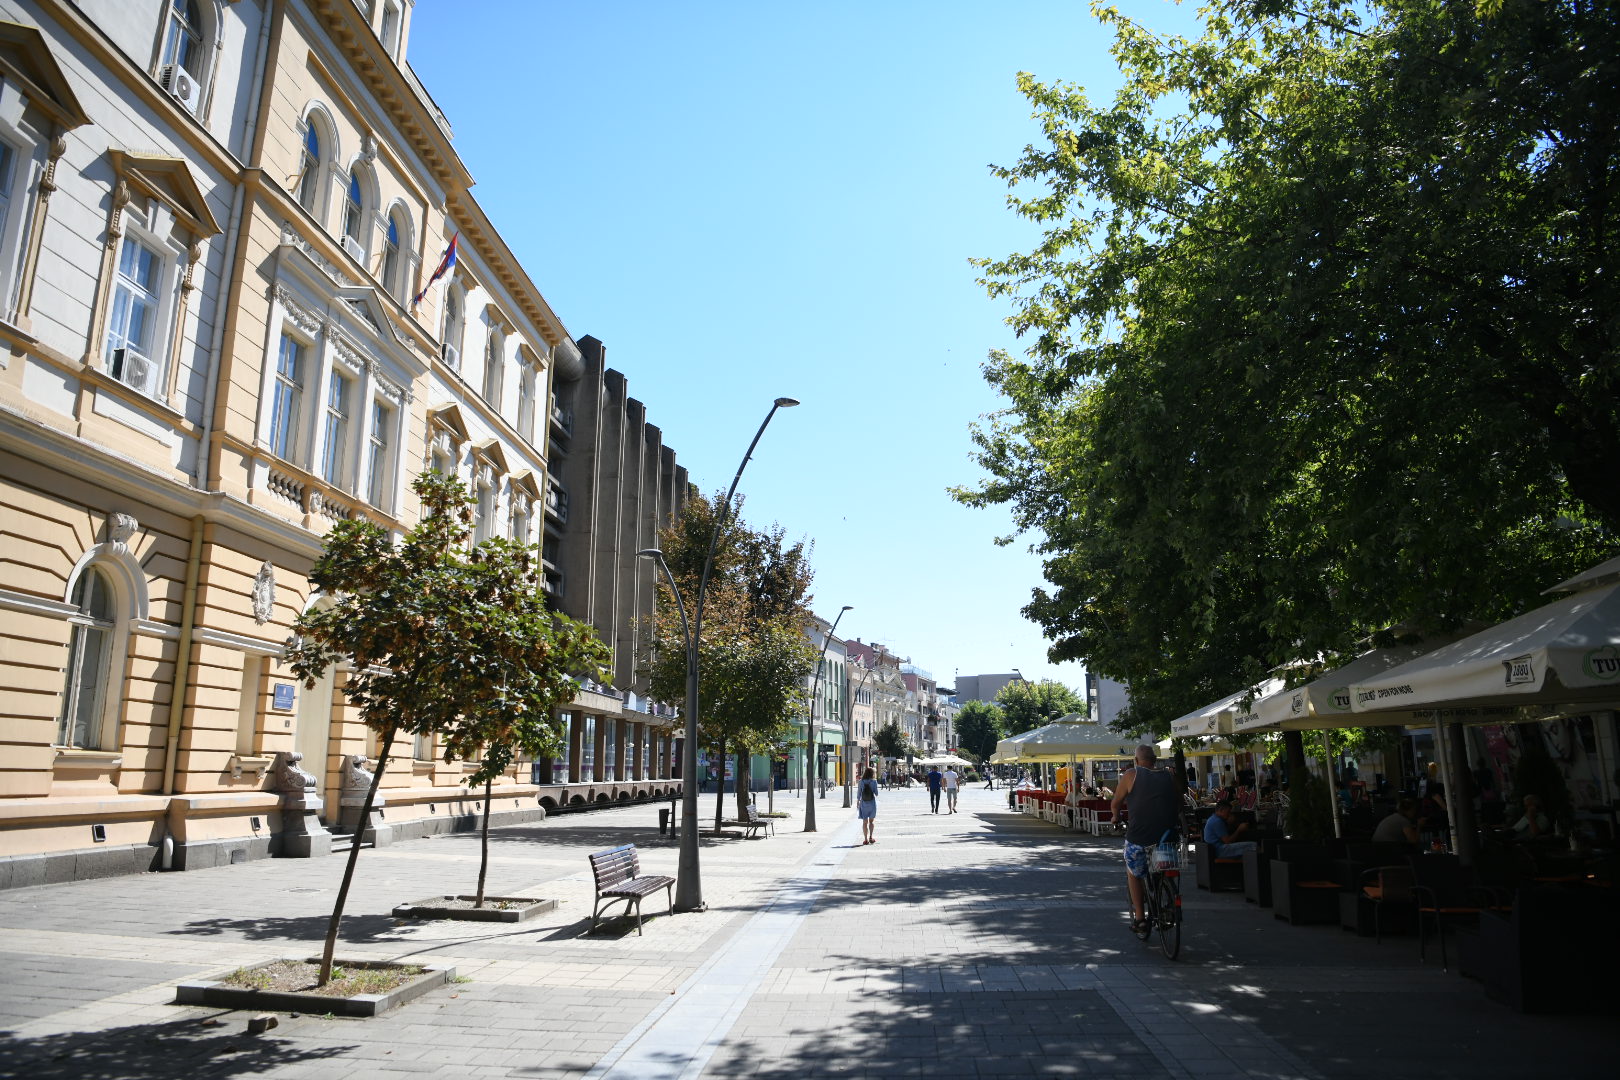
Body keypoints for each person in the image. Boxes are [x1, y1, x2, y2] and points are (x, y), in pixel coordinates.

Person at [1112, 744, 1184, 933]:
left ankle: (1140, 918)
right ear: (1155, 760)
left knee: (1133, 872)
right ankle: (1166, 898)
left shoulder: (1130, 775)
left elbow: (1116, 803)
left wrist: (1116, 817)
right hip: (1168, 838)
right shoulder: (1170, 776)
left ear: (1136, 761)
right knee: (1165, 868)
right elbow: (1180, 801)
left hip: (1139, 838)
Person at [857, 767, 880, 844]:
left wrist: (858, 801)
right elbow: (876, 794)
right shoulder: (874, 781)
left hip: (863, 804)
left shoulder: (861, 781)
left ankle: (865, 839)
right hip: (872, 804)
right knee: (871, 822)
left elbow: (859, 793)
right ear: (872, 774)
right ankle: (871, 837)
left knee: (864, 822)